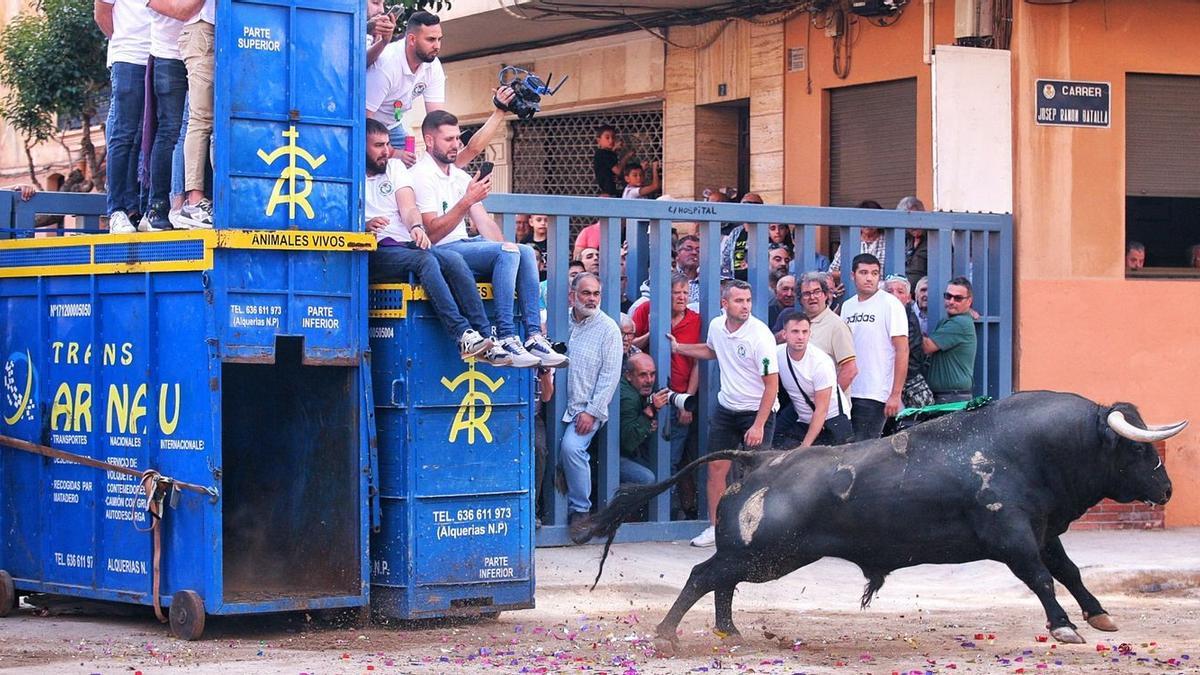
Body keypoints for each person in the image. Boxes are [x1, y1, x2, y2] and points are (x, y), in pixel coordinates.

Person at [411, 110, 567, 368]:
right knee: (506, 252)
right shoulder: (420, 175)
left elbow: (484, 223)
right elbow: (431, 234)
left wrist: (509, 248)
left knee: (523, 251)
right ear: (429, 141)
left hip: (464, 246)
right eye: (448, 139)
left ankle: (533, 337)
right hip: (440, 251)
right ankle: (505, 336)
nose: (456, 145)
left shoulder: (459, 176)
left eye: (456, 138)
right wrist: (467, 201)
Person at [363, 118, 496, 362]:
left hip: (405, 244)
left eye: (388, 144)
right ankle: (462, 334)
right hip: (374, 249)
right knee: (425, 262)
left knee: (453, 259)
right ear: (362, 147)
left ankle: (485, 337)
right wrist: (363, 225)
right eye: (378, 146)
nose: (386, 151)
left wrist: (415, 226)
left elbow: (408, 206)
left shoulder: (395, 168)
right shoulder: (351, 175)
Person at [668, 280, 778, 548]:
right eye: (739, 301)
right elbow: (712, 350)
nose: (746, 306)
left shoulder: (760, 335)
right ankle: (716, 530)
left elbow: (772, 384)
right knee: (715, 470)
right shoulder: (717, 326)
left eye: (748, 300)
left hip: (756, 412)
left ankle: (756, 534)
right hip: (726, 409)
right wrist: (680, 347)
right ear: (724, 304)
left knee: (757, 475)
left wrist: (759, 425)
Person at [562, 273, 623, 543]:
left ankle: (581, 511)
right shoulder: (557, 319)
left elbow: (610, 375)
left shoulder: (608, 328)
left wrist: (592, 411)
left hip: (585, 410)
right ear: (572, 294)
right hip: (556, 405)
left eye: (596, 294)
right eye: (586, 293)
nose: (591, 299)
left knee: (572, 448)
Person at [630, 274, 701, 486]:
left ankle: (666, 511)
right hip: (644, 398)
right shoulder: (645, 310)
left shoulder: (695, 320)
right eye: (676, 292)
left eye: (685, 292)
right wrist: (653, 332)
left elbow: (697, 362)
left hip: (679, 399)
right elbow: (629, 345)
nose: (682, 297)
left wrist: (687, 403)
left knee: (671, 461)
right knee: (644, 459)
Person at [95, 0, 151, 234]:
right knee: (123, 133)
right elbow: (101, 12)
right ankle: (116, 210)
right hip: (129, 57)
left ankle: (133, 208)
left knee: (143, 136)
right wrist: (123, 41)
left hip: (158, 56)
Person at [839, 254, 908, 441]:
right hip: (849, 391)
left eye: (874, 273)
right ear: (853, 275)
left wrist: (895, 394)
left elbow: (902, 350)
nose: (869, 278)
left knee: (864, 452)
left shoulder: (890, 304)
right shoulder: (848, 306)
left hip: (876, 393)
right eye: (864, 272)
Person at [139, 1, 188, 231]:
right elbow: (180, 11)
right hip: (170, 57)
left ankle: (191, 203)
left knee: (198, 128)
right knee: (171, 130)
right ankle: (158, 206)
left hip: (202, 51)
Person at [773, 313, 852, 448]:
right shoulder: (777, 354)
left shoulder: (821, 363)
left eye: (805, 332)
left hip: (831, 422)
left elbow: (821, 410)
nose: (800, 337)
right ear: (784, 334)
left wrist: (805, 447)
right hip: (802, 418)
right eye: (795, 332)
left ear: (810, 334)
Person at [773, 272, 857, 392]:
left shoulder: (837, 326)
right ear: (800, 299)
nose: (812, 297)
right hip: (800, 404)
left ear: (826, 295)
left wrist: (828, 401)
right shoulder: (798, 323)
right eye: (807, 294)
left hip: (826, 407)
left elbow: (850, 370)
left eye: (817, 292)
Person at [618, 353, 671, 487]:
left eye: (652, 374)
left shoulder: (633, 389)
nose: (649, 380)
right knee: (646, 478)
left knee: (660, 471)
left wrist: (645, 422)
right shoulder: (628, 397)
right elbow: (628, 442)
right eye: (643, 375)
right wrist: (649, 412)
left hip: (625, 453)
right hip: (605, 458)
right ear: (629, 375)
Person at [923, 277, 978, 403]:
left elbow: (927, 347)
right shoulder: (950, 321)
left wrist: (904, 322)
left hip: (951, 397)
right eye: (948, 296)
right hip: (948, 395)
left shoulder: (959, 323)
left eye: (958, 298)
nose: (951, 301)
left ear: (969, 301)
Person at [885, 275, 933, 409]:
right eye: (889, 291)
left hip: (907, 386)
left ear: (908, 298)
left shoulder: (907, 320)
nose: (894, 295)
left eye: (900, 292)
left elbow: (902, 353)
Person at [827, 199, 887, 278]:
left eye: (872, 219)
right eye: (864, 219)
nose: (868, 223)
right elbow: (832, 272)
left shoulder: (888, 241)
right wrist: (853, 275)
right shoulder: (849, 242)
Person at [592, 125, 633, 197]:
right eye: (607, 138)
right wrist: (627, 156)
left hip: (613, 191)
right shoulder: (602, 154)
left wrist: (614, 149)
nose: (611, 140)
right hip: (608, 193)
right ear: (599, 141)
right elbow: (617, 170)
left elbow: (609, 161)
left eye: (613, 137)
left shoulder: (606, 153)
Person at [897, 195, 928, 288]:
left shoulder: (934, 237)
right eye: (908, 221)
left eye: (915, 219)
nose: (913, 225)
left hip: (923, 290)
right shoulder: (902, 238)